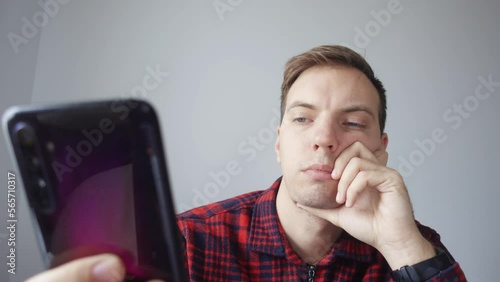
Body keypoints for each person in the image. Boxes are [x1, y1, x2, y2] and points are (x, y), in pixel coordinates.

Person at [27, 45, 467, 281]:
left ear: (380, 149)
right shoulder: (187, 243)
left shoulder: (412, 249)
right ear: (278, 142)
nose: (324, 139)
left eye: (352, 122)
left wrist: (401, 248)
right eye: (302, 118)